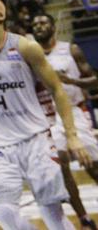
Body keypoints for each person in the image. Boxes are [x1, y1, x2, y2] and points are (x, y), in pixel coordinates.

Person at [0, 0, 90, 230]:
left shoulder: (26, 47)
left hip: (36, 140)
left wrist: (71, 135)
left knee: (52, 213)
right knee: (4, 213)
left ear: (1, 14)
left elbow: (57, 89)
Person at [32, 12, 98, 229]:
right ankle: (84, 218)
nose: (38, 26)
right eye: (35, 24)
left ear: (54, 28)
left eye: (42, 22)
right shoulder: (30, 56)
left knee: (92, 165)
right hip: (49, 118)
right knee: (61, 166)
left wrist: (71, 81)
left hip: (75, 112)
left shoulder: (70, 50)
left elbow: (94, 80)